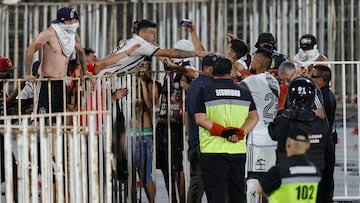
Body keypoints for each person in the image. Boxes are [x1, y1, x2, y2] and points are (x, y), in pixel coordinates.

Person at [194, 57, 259, 203]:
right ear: (231, 72)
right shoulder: (244, 92)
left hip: (212, 152)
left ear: (212, 71)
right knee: (237, 194)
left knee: (216, 195)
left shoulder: (205, 91)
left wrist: (223, 132)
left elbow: (200, 119)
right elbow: (254, 117)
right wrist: (240, 133)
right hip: (237, 151)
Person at [268, 77, 335, 202]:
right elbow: (330, 157)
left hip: (289, 177)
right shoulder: (321, 124)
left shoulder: (283, 121)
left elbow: (273, 132)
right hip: (315, 179)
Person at [156, 39, 198, 203]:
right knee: (165, 166)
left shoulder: (186, 67)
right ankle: (172, 198)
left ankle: (181, 199)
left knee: (176, 166)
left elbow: (193, 73)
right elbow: (160, 53)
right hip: (163, 120)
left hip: (176, 123)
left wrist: (173, 66)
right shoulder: (171, 66)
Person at [24, 6, 88, 116]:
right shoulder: (49, 33)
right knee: (41, 119)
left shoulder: (72, 35)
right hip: (47, 81)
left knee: (58, 119)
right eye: (74, 20)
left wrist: (85, 71)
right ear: (66, 21)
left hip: (61, 81)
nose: (77, 23)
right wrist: (28, 73)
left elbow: (81, 52)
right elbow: (30, 49)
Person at [96, 19, 208, 76]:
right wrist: (196, 53)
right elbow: (170, 53)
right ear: (143, 34)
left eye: (156, 33)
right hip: (103, 79)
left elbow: (164, 57)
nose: (155, 36)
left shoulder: (136, 41)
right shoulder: (140, 45)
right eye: (151, 33)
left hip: (106, 78)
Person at [239, 48, 280, 203]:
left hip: (257, 136)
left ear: (258, 62)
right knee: (267, 180)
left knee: (252, 177)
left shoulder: (253, 81)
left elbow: (235, 89)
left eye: (253, 59)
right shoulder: (274, 81)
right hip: (272, 137)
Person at [258, 127, 321, 203]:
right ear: (308, 145)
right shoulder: (315, 172)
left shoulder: (278, 171)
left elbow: (260, 190)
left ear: (288, 143)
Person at [185, 54, 216, 203]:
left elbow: (186, 113)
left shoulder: (195, 84)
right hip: (203, 142)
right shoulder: (207, 86)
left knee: (200, 182)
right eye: (214, 67)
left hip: (195, 140)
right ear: (207, 68)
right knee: (200, 182)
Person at [131, 57, 160, 203]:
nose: (144, 69)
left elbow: (150, 105)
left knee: (146, 175)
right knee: (130, 174)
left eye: (146, 66)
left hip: (146, 133)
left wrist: (142, 83)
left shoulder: (153, 85)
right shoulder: (128, 83)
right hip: (130, 133)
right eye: (141, 65)